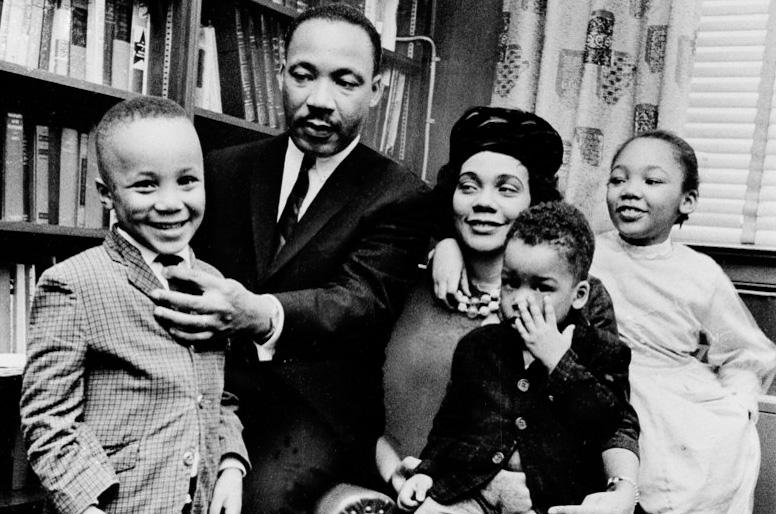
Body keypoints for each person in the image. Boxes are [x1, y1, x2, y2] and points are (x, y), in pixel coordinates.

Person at [149, 4, 433, 513]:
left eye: (345, 81)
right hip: (205, 393)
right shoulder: (222, 169)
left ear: (376, 91)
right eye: (304, 75)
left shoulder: (401, 195)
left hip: (316, 414)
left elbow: (360, 302)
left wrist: (258, 313)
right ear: (282, 74)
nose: (319, 100)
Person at [379, 107, 639, 514]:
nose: (483, 202)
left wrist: (622, 490)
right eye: (468, 187)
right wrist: (443, 242)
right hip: (438, 488)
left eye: (506, 189)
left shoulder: (579, 302)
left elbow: (612, 417)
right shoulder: (412, 275)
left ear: (534, 203)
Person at [19, 97, 249, 514]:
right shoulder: (71, 284)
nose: (170, 203)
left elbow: (218, 395)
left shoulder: (214, 284)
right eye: (146, 185)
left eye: (187, 181)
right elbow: (48, 426)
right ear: (107, 194)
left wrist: (232, 465)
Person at [590, 130, 776, 513]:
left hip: (673, 399)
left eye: (652, 181)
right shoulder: (587, 251)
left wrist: (738, 403)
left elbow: (747, 350)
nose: (629, 190)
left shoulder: (699, 272)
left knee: (692, 471)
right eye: (618, 179)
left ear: (687, 201)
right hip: (598, 383)